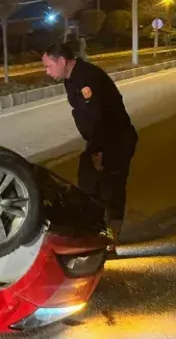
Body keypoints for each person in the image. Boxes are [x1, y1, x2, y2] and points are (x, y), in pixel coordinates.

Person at [41, 43, 138, 250]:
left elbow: (98, 119)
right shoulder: (71, 80)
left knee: (110, 190)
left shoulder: (87, 78)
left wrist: (97, 152)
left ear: (62, 60)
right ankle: (96, 233)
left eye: (49, 66)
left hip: (115, 140)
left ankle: (110, 237)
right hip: (99, 140)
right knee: (89, 188)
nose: (47, 72)